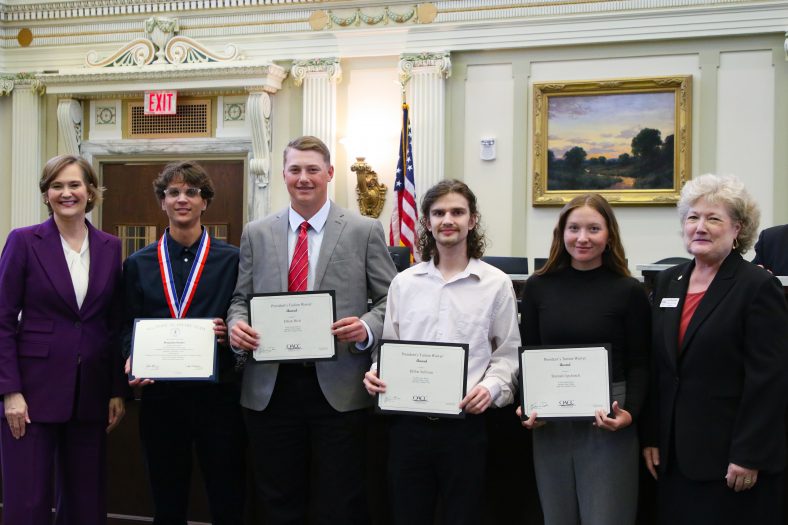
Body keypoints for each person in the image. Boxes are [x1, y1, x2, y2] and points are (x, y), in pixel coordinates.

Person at [228, 135, 396, 524]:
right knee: (276, 499)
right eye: (295, 170)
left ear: (329, 174)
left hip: (338, 389)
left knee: (339, 501)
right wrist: (238, 325)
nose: (303, 178)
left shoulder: (363, 230)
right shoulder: (257, 232)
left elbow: (393, 301)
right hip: (271, 389)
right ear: (284, 174)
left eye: (312, 170)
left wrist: (366, 327)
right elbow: (240, 299)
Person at [363, 180, 520, 525]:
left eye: (457, 212)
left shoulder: (496, 284)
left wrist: (490, 389)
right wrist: (377, 371)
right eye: (438, 213)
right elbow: (389, 348)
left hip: (466, 428)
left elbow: (508, 356)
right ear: (427, 222)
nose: (448, 219)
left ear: (472, 220)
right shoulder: (404, 283)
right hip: (408, 428)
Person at [642, 174, 788, 525]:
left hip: (730, 460)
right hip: (673, 457)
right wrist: (652, 436)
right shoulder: (668, 280)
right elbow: (660, 368)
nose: (700, 227)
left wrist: (749, 453)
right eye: (692, 218)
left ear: (738, 228)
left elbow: (768, 380)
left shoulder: (757, 286)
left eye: (713, 218)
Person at [0, 154, 127, 525]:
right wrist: (10, 391)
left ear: (91, 191)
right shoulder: (24, 242)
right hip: (31, 396)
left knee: (86, 504)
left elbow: (112, 322)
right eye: (57, 186)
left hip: (90, 394)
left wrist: (115, 388)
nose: (66, 193)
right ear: (46, 194)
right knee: (27, 504)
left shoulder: (110, 246)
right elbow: (3, 320)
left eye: (74, 185)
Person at [122, 161, 246, 525]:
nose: (182, 199)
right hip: (161, 399)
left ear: (205, 201)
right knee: (166, 499)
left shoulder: (233, 260)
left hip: (219, 398)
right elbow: (125, 325)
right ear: (162, 201)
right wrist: (129, 357)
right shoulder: (138, 263)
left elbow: (245, 314)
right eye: (173, 192)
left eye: (191, 192)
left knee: (227, 495)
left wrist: (231, 331)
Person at [517, 193, 650, 525]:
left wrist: (630, 414)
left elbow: (640, 361)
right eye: (574, 228)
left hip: (608, 417)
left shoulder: (628, 289)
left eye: (593, 228)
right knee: (557, 516)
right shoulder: (537, 287)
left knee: (607, 517)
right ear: (561, 233)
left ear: (609, 236)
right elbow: (528, 352)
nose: (582, 238)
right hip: (550, 421)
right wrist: (526, 403)